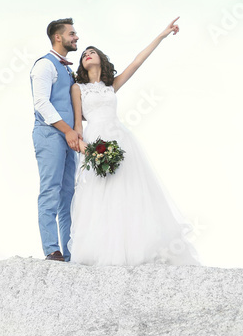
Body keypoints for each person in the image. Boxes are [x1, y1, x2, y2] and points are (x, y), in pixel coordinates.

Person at [67, 18, 201, 266]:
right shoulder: (78, 88)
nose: (87, 54)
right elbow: (77, 125)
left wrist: (162, 35)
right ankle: (102, 252)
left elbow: (138, 61)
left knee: (126, 192)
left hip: (120, 140)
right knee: (98, 195)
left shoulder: (110, 86)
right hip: (95, 143)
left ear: (101, 60)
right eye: (84, 53)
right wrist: (88, 150)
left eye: (92, 51)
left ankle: (135, 249)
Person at [29, 18, 83, 262]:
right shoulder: (44, 65)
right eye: (72, 33)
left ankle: (70, 251)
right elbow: (41, 103)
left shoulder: (67, 69)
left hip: (68, 138)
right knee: (51, 190)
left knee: (68, 194)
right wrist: (67, 130)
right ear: (58, 37)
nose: (76, 37)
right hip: (50, 134)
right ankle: (52, 249)